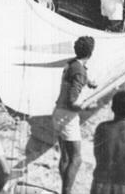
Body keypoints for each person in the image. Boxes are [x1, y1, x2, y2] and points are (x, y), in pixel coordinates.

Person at [52, 36, 97, 194]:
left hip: (58, 112)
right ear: (91, 53)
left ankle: (65, 189)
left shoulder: (71, 63)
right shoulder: (79, 70)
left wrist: (88, 81)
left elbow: (76, 76)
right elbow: (72, 101)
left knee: (65, 157)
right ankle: (67, 192)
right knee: (76, 159)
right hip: (68, 115)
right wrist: (88, 106)